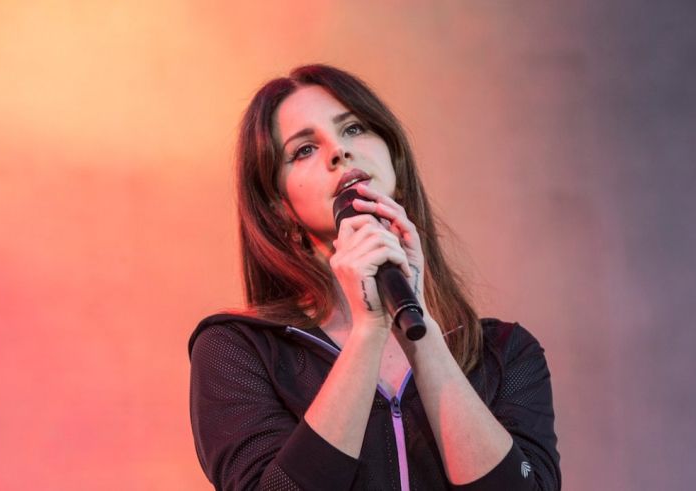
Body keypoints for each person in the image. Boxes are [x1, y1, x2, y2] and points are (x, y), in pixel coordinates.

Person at [188, 64, 561, 490]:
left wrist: (423, 341)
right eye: (304, 149)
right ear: (280, 207)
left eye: (353, 129)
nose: (338, 152)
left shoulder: (504, 353)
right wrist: (368, 333)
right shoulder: (238, 349)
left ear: (395, 161)